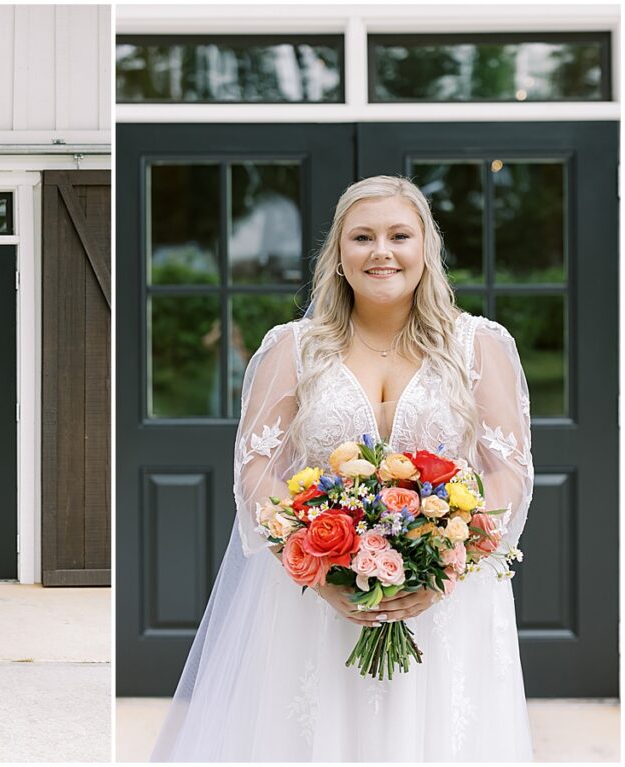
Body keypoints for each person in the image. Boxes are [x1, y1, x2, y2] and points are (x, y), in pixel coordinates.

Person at [150, 176, 534, 761]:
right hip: (318, 603)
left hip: (446, 607)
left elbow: (508, 472)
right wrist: (317, 567)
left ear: (425, 249)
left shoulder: (477, 346)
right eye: (363, 237)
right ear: (338, 255)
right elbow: (257, 468)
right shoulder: (293, 348)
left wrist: (442, 569)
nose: (382, 252)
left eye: (399, 235)